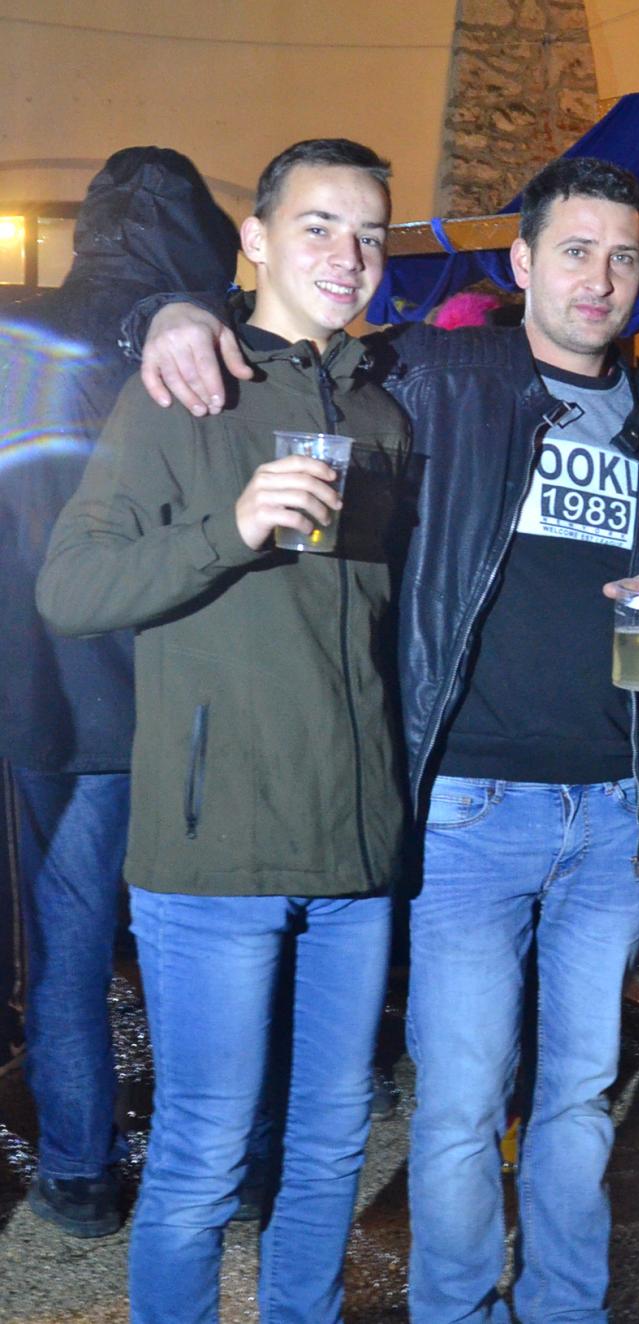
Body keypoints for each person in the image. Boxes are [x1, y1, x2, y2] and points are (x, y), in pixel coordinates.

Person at [135, 155, 639, 1322]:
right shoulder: (438, 375)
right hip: (469, 802)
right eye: (574, 250)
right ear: (521, 263)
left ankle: (562, 1306)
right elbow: (296, 337)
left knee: (580, 1098)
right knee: (462, 1102)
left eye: (623, 257)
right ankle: (456, 1309)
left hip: (612, 808)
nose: (599, 277)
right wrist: (171, 310)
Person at [38, 137, 409, 1322]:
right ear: (252, 241)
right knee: (202, 1151)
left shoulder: (380, 409)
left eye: (369, 233)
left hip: (353, 847)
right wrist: (229, 527)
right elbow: (71, 588)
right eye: (318, 226)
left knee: (330, 1143)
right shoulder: (184, 389)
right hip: (213, 850)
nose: (347, 254)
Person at [0, 147, 238, 1239]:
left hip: (51, 700)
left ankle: (79, 1172)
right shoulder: (210, 350)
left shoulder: (17, 339)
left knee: (68, 951)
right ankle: (225, 1164)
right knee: (210, 947)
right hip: (191, 696)